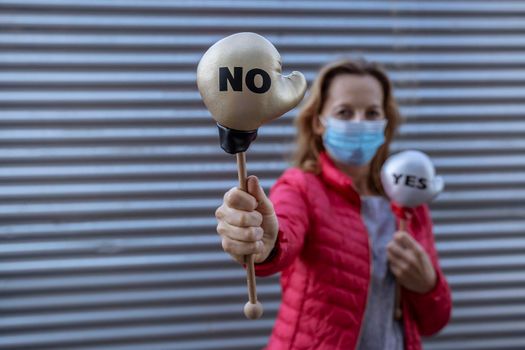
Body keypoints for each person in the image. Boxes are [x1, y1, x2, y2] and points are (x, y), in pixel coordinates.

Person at [215, 59, 451, 350]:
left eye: (372, 112)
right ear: (317, 121)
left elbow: (434, 323)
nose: (359, 122)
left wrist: (428, 285)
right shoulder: (301, 187)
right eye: (344, 112)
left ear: (385, 122)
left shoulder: (409, 202)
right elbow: (283, 233)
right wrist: (266, 242)